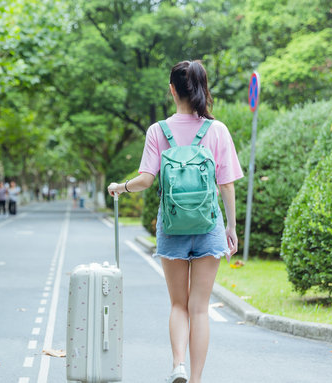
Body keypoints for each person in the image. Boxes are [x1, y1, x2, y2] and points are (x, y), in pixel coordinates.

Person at [107, 60, 243, 383]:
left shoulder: (158, 131)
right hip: (209, 227)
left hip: (171, 227)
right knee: (200, 308)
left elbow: (145, 179)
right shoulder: (217, 131)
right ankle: (195, 380)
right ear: (203, 89)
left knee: (178, 305)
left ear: (172, 91)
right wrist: (231, 228)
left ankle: (178, 364)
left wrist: (119, 188)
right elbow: (226, 185)